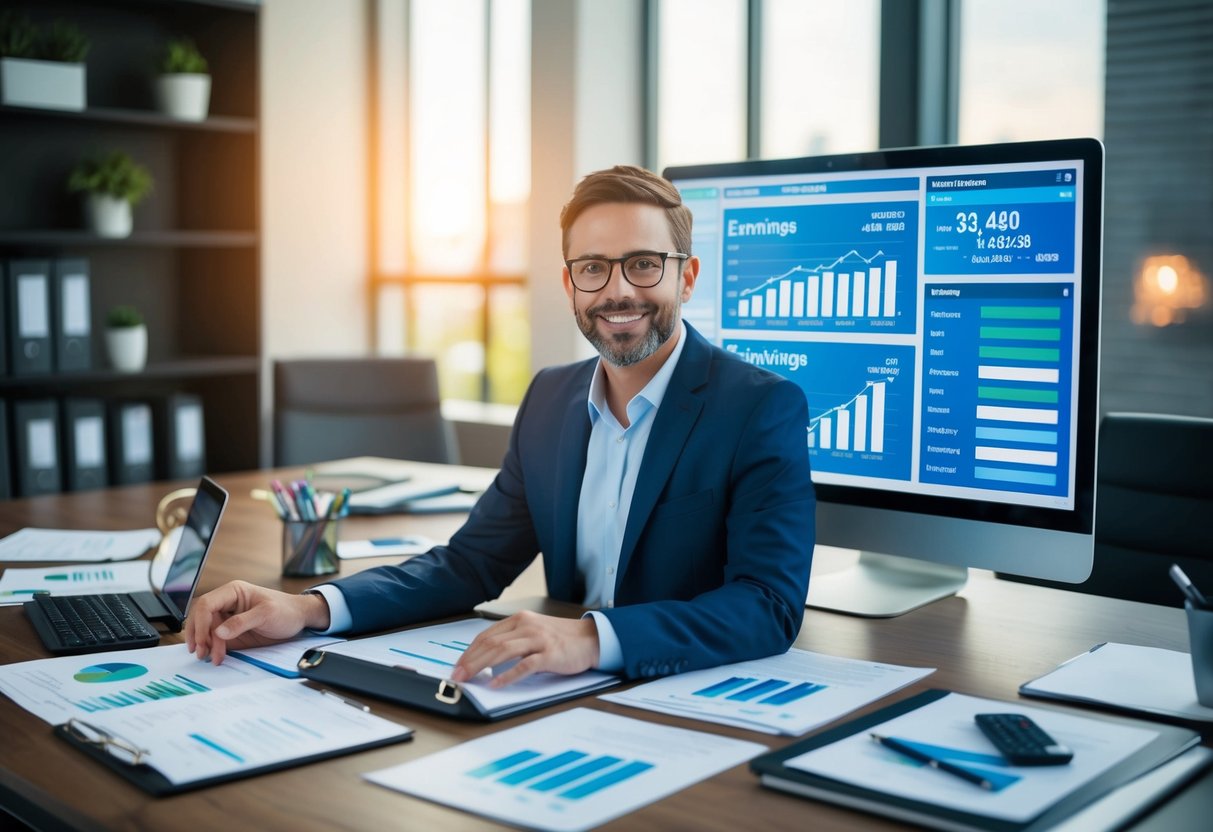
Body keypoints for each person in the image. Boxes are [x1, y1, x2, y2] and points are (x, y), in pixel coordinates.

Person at [186, 165, 816, 688]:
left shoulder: (760, 408)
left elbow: (769, 605)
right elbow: (469, 566)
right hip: (553, 695)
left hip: (681, 697)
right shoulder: (550, 398)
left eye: (645, 264)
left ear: (688, 275)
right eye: (594, 268)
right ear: (570, 284)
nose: (618, 290)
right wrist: (307, 607)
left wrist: (593, 639)